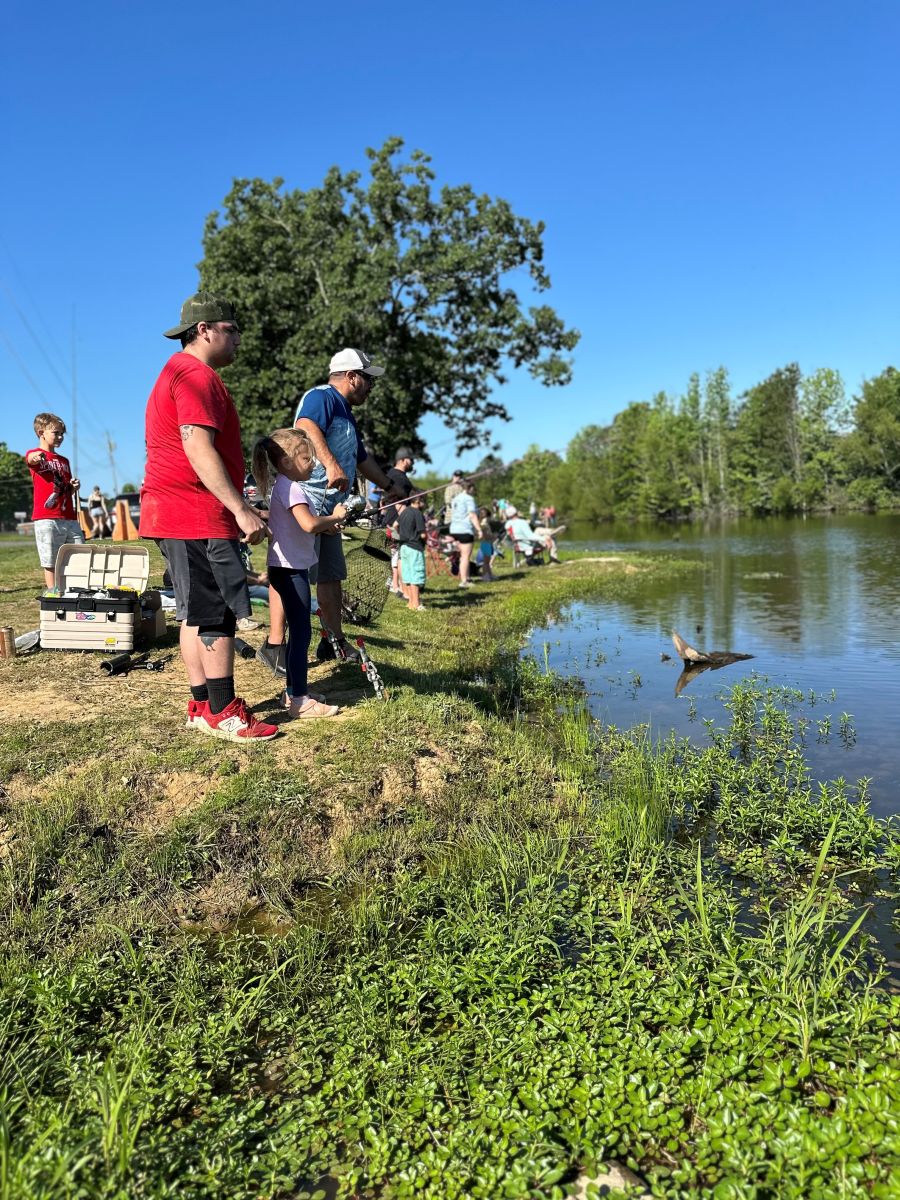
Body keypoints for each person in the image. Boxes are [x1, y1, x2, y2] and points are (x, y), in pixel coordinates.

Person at [139, 290, 277, 743]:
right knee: (217, 611)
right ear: (205, 330)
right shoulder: (196, 376)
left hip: (173, 509)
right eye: (232, 330)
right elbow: (197, 445)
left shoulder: (174, 373)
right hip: (194, 511)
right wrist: (238, 509)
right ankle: (224, 711)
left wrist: (241, 502)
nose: (238, 339)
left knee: (194, 613)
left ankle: (201, 703)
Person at [293, 347, 399, 659]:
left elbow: (363, 460)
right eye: (369, 380)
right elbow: (306, 426)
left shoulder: (346, 414)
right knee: (294, 577)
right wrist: (331, 465)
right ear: (351, 377)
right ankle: (281, 645)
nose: (371, 386)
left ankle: (333, 642)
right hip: (309, 504)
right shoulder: (322, 396)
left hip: (332, 510)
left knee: (331, 576)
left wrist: (389, 486)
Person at [251, 428, 347, 718]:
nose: (314, 464)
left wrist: (325, 524)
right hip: (291, 570)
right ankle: (300, 701)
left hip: (285, 568)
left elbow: (299, 524)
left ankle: (292, 692)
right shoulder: (292, 487)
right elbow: (307, 524)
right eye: (307, 458)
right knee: (302, 633)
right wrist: (336, 516)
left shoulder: (282, 486)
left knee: (297, 632)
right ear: (287, 462)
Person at [25, 412, 83, 589]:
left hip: (69, 517)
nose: (60, 437)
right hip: (47, 518)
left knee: (80, 554)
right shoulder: (35, 454)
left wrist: (73, 487)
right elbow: (31, 459)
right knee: (50, 559)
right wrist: (37, 458)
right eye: (56, 433)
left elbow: (67, 491)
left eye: (62, 434)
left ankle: (75, 589)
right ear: (41, 433)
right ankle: (53, 592)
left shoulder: (64, 461)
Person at [394, 493, 427, 611]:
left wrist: (403, 535)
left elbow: (395, 525)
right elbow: (422, 534)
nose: (424, 504)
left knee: (408, 575)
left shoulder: (405, 511)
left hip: (404, 547)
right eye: (423, 501)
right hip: (414, 547)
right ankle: (417, 604)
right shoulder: (417, 513)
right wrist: (425, 538)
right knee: (416, 575)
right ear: (418, 501)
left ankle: (411, 603)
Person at [449, 478, 483, 588]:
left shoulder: (455, 499)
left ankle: (467, 577)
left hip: (454, 529)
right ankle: (464, 581)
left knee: (463, 556)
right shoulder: (469, 499)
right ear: (470, 488)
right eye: (474, 488)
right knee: (465, 556)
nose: (474, 490)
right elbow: (472, 515)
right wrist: (479, 529)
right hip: (464, 529)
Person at [379, 447, 415, 526]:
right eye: (411, 460)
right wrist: (412, 523)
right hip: (396, 524)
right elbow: (399, 504)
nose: (413, 463)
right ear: (403, 460)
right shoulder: (398, 477)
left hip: (392, 521)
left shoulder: (393, 473)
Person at [475, 506, 497, 581]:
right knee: (486, 561)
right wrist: (492, 536)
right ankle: (485, 576)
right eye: (481, 512)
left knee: (488, 560)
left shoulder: (487, 521)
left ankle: (489, 574)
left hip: (489, 542)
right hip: (485, 542)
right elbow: (485, 534)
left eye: (484, 512)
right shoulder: (481, 523)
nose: (483, 513)